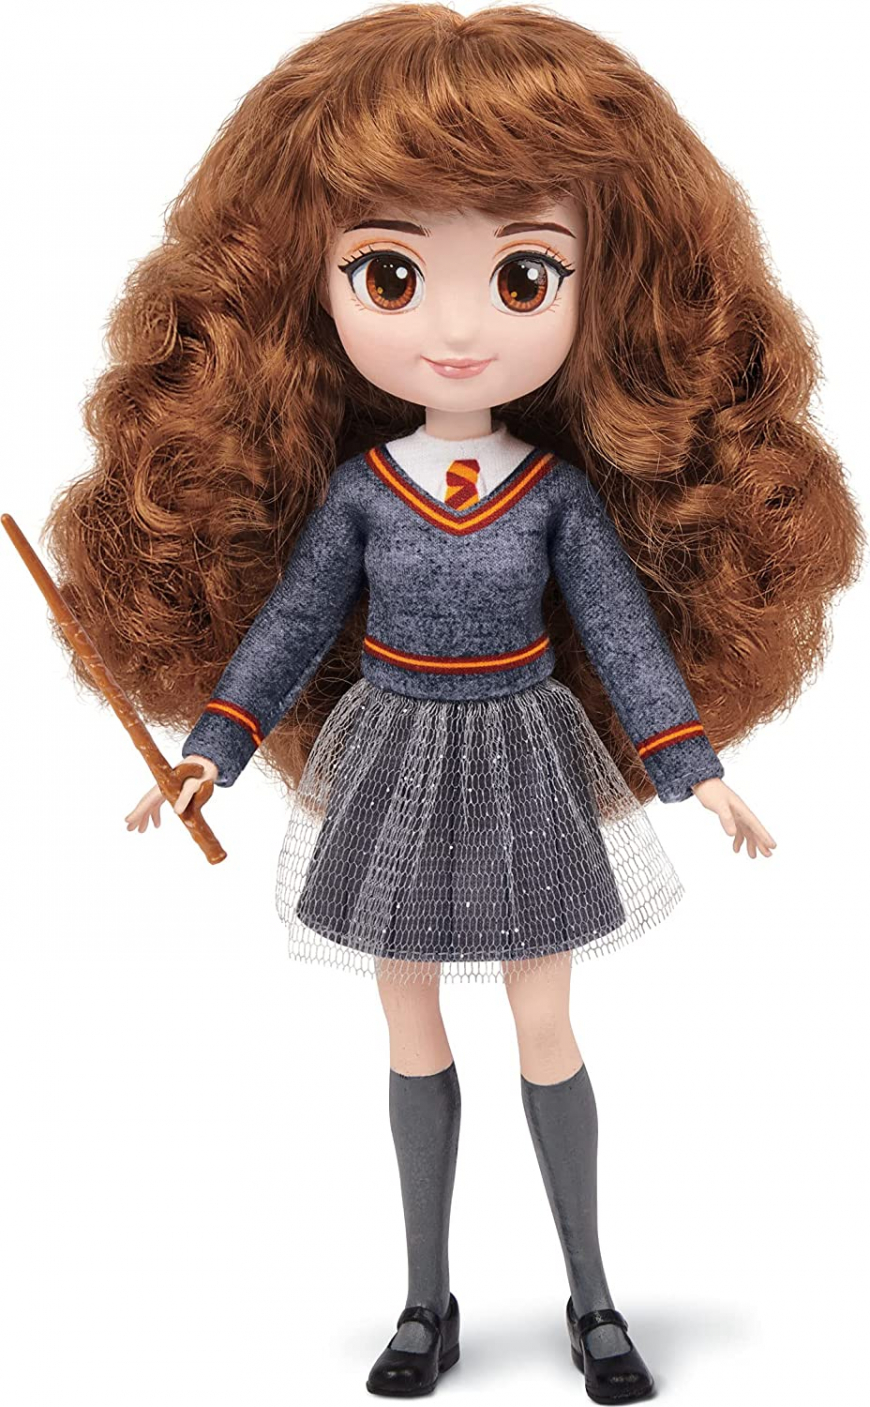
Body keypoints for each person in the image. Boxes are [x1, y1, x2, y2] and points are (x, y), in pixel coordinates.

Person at [43, 6, 862, 1400]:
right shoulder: (363, 493)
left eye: (526, 275)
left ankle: (592, 1297)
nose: (460, 327)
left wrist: (692, 768)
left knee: (545, 1027)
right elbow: (292, 628)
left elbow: (620, 630)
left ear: (609, 286)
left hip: (528, 753)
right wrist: (211, 751)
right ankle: (426, 1302)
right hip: (393, 758)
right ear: (306, 287)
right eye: (391, 273)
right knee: (409, 1023)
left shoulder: (555, 498)